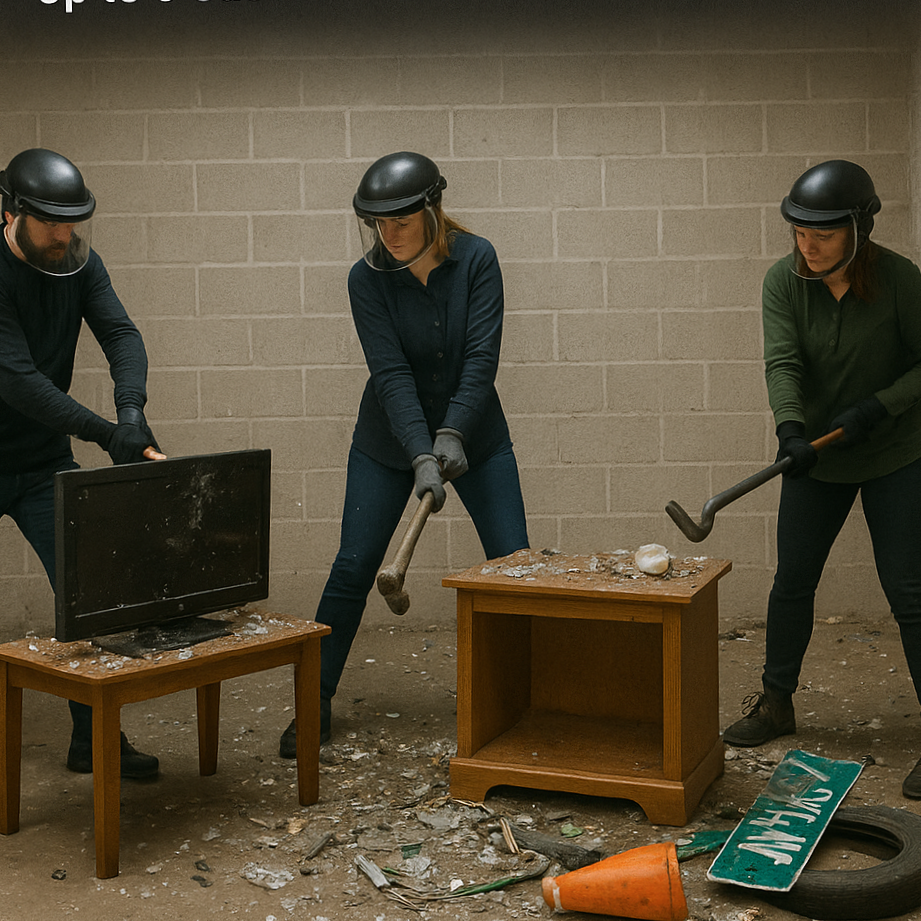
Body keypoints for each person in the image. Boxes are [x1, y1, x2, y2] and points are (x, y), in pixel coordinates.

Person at [279, 151, 530, 755]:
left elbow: (480, 359)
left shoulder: (478, 259)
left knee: (514, 567)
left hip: (477, 437)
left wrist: (453, 435)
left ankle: (532, 698)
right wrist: (420, 451)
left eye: (399, 222)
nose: (387, 235)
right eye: (376, 224)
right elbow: (389, 373)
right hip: (388, 441)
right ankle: (314, 701)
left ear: (431, 210)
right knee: (353, 566)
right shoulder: (366, 279)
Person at [722, 159, 921, 798]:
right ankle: (777, 703)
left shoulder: (900, 280)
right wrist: (791, 431)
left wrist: (879, 406)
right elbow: (782, 360)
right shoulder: (785, 281)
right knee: (792, 580)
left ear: (859, 229)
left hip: (896, 451)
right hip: (817, 454)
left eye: (824, 235)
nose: (808, 246)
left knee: (910, 592)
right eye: (799, 233)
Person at [0, 148, 165, 779]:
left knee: (92, 586)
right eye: (51, 224)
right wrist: (104, 433)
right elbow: (17, 381)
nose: (64, 236)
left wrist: (130, 413)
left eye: (73, 223)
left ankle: (92, 741)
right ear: (11, 213)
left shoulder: (78, 262)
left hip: (43, 461)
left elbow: (121, 334)